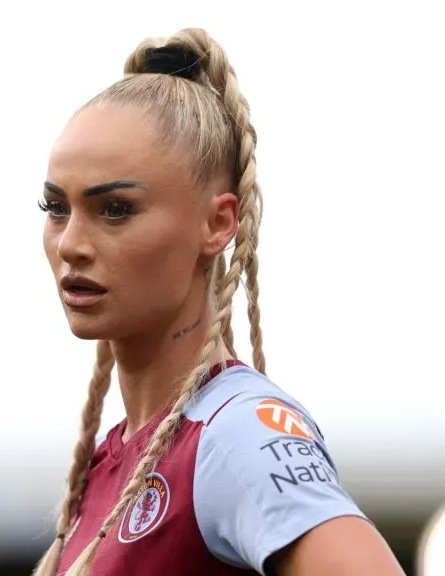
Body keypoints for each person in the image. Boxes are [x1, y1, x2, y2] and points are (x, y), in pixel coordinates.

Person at [34, 27, 405, 576]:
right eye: (56, 207)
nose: (70, 243)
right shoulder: (116, 458)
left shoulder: (237, 433)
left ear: (218, 222)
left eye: (115, 209)